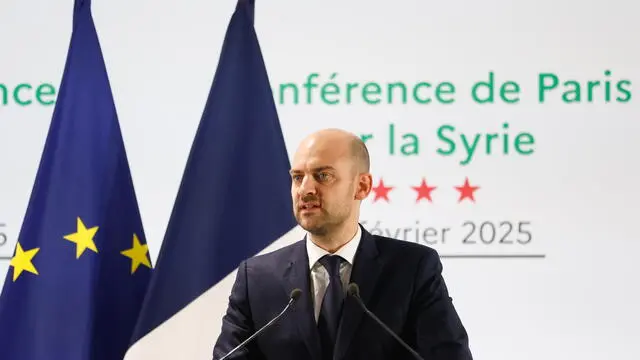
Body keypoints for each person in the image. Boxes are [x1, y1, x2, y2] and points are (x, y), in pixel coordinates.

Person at [212, 128, 473, 360]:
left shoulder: (412, 269)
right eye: (297, 177)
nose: (305, 189)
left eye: (322, 175)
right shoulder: (257, 278)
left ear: (362, 186)